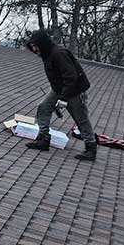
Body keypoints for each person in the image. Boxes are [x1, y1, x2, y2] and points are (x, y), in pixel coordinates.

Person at [25, 30, 97, 162]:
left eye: (36, 46)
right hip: (58, 88)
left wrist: (63, 98)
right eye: (33, 47)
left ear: (42, 44)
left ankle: (91, 148)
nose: (34, 49)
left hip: (74, 90)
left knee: (81, 119)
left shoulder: (59, 53)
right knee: (44, 108)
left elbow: (71, 76)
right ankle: (43, 139)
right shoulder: (47, 54)